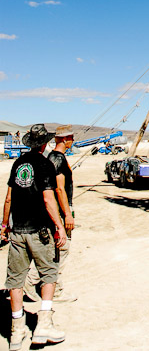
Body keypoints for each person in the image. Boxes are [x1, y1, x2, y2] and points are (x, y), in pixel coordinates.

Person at [1, 124, 67, 349]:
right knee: (48, 274)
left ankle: (17, 331)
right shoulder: (45, 164)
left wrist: (4, 224)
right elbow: (49, 200)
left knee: (15, 280)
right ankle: (43, 326)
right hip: (39, 231)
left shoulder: (18, 163)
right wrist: (59, 225)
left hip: (17, 230)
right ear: (45, 143)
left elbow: (9, 197)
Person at [24, 125, 76, 303]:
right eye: (70, 138)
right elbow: (59, 189)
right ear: (63, 139)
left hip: (55, 211)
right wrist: (67, 215)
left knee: (53, 249)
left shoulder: (52, 158)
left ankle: (34, 284)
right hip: (60, 212)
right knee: (61, 249)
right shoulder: (58, 159)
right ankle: (51, 288)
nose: (73, 141)